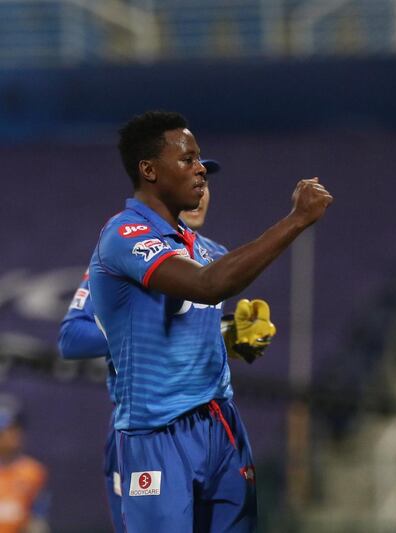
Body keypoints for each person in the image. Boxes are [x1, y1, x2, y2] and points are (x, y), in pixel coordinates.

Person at [87, 110, 331, 531]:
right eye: (188, 160)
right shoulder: (124, 237)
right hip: (157, 433)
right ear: (148, 170)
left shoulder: (205, 246)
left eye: (199, 160)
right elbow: (207, 285)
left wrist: (234, 335)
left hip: (220, 422)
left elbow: (201, 305)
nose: (200, 170)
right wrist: (296, 220)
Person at [58, 160, 275, 531]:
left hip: (209, 426)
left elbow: (186, 335)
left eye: (204, 182)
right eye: (187, 179)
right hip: (149, 430)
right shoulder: (127, 249)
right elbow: (72, 337)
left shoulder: (214, 255)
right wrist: (138, 335)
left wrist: (232, 338)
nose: (199, 192)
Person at [0, 395, 49, 533]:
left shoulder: (33, 472)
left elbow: (37, 518)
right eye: (7, 430)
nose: (13, 435)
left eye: (16, 428)